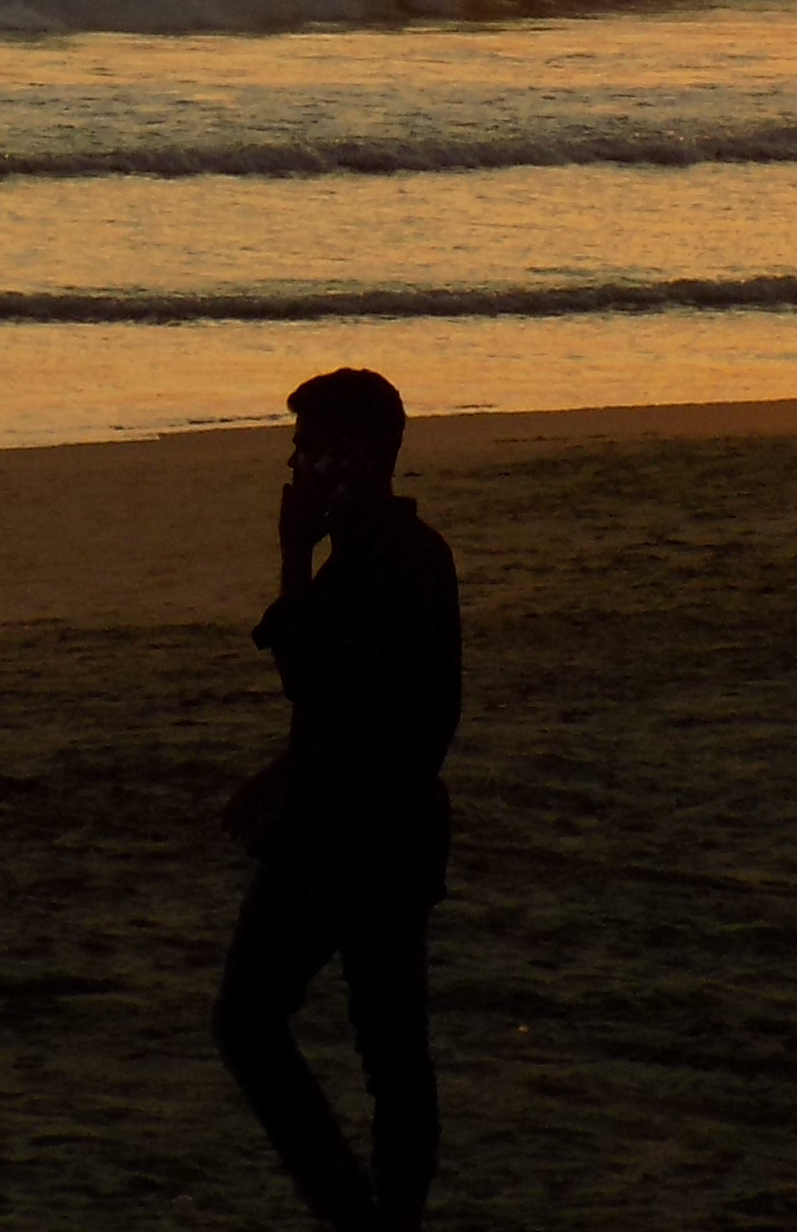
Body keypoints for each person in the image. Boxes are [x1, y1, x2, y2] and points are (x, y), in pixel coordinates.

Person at [215, 367, 461, 1232]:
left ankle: (357, 1216)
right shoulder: (409, 551)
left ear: (353, 453)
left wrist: (290, 554)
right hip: (390, 827)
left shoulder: (375, 557)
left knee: (250, 1021)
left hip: (344, 834)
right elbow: (380, 707)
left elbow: (312, 679)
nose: (295, 464)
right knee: (393, 1049)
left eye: (308, 447)